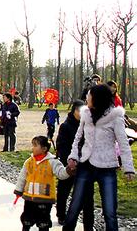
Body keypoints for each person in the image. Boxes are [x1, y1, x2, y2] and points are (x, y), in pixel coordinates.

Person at [64, 84, 135, 230]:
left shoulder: (115, 117)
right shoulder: (86, 114)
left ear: (97, 98)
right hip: (86, 165)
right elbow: (78, 138)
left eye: (89, 96)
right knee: (74, 206)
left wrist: (128, 168)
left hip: (107, 167)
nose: (87, 98)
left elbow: (123, 144)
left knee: (109, 212)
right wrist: (73, 157)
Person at [14, 136, 71, 231]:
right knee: (26, 219)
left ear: (44, 149)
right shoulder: (29, 162)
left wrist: (68, 170)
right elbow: (22, 177)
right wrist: (19, 190)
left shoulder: (52, 162)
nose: (32, 148)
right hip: (29, 198)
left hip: (45, 199)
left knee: (43, 221)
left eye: (35, 145)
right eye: (32, 145)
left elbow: (61, 174)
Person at [55, 99, 94, 227]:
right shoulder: (66, 126)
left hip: (84, 164)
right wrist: (70, 161)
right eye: (79, 110)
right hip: (69, 164)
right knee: (63, 191)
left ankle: (85, 219)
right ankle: (61, 215)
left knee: (84, 194)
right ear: (74, 111)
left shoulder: (87, 125)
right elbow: (61, 145)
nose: (81, 113)